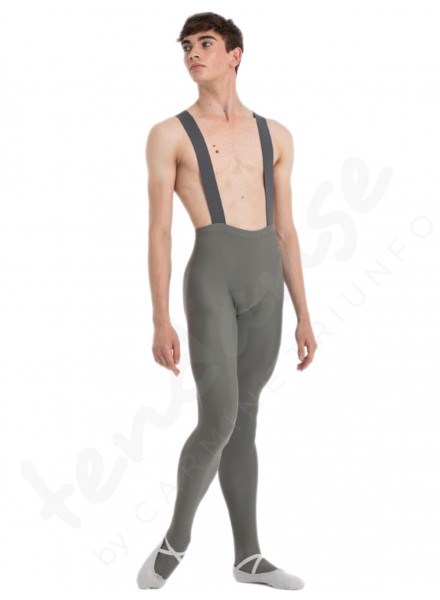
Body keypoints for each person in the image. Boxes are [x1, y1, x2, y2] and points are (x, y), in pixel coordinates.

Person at [137, 11, 317, 591]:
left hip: (266, 284)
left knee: (246, 417)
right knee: (218, 417)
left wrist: (305, 314)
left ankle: (248, 557)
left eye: (206, 44)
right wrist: (160, 319)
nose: (193, 53)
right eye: (187, 46)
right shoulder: (169, 134)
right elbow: (159, 232)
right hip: (211, 278)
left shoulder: (276, 135)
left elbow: (286, 230)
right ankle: (176, 539)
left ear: (235, 55)